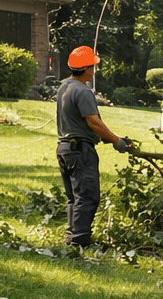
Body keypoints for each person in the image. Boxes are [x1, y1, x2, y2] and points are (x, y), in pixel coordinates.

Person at [55, 46, 131, 249]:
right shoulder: (83, 91)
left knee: (74, 196)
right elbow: (93, 122)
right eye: (93, 66)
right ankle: (80, 241)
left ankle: (72, 237)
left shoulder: (65, 87)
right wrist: (116, 141)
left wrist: (110, 138)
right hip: (81, 151)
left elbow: (79, 123)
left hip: (65, 148)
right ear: (87, 68)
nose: (94, 70)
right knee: (87, 196)